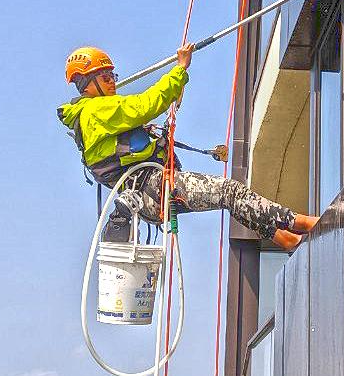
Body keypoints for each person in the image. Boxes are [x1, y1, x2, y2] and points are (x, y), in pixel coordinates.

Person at [57, 44, 318, 249]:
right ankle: (298, 222)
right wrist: (180, 69)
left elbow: (133, 122)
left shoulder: (93, 116)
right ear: (85, 85)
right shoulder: (95, 110)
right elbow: (144, 105)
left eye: (111, 75)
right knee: (229, 190)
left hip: (146, 194)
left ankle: (285, 239)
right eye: (104, 77)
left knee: (226, 198)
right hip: (153, 188)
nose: (111, 81)